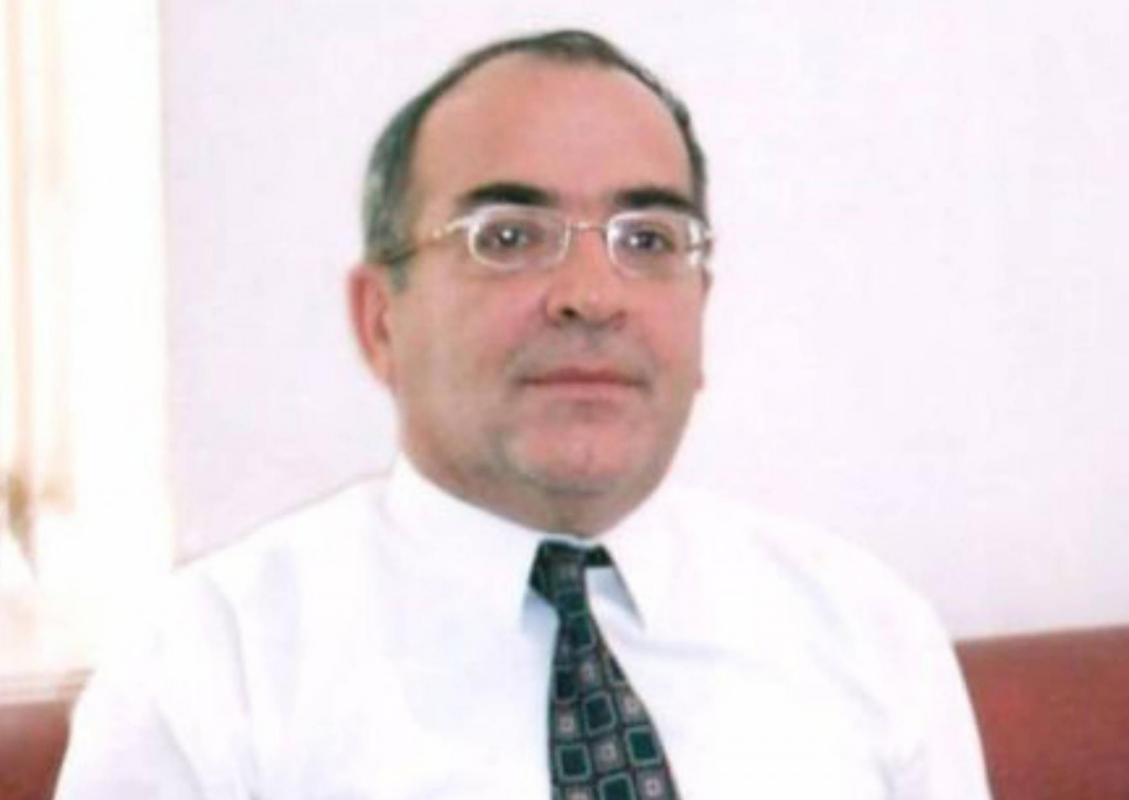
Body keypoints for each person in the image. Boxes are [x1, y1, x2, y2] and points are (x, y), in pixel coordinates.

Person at [55, 29, 991, 799]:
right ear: (380, 321)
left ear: (700, 309)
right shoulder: (212, 669)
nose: (592, 295)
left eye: (647, 240)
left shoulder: (867, 633)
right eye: (507, 237)